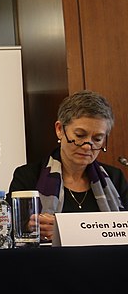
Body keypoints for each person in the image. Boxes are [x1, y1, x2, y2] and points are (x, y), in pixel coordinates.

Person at [8, 90, 128, 242]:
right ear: (59, 130)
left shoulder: (115, 178)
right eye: (79, 135)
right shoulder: (28, 177)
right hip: (49, 264)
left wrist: (63, 232)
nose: (87, 146)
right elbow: (2, 236)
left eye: (97, 139)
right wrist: (29, 227)